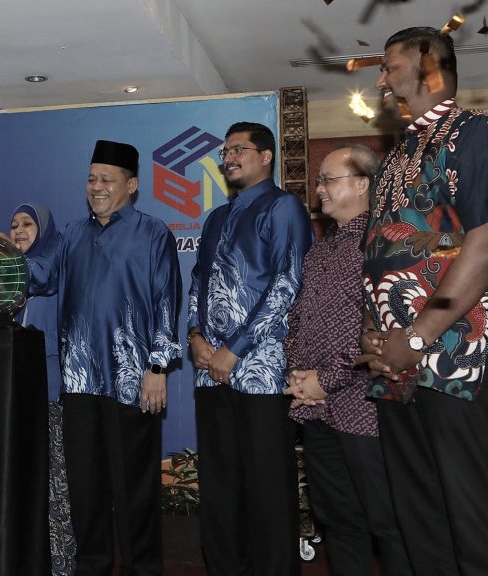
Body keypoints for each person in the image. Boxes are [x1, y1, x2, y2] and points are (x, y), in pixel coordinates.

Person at [359, 26, 488, 576]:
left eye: (389, 66)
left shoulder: (477, 131)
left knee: (476, 526)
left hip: (461, 363)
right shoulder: (394, 157)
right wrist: (374, 335)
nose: (381, 80)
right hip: (398, 368)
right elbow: (381, 257)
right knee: (420, 523)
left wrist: (416, 336)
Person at [23, 140, 182, 576]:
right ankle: (91, 566)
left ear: (131, 185)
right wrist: (6, 260)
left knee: (134, 487)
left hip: (132, 381)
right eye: (91, 178)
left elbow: (167, 302)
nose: (96, 186)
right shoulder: (72, 234)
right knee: (85, 486)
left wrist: (157, 367)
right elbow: (40, 277)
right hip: (78, 383)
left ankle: (142, 568)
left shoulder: (153, 233)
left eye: (107, 179)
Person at [186, 121, 312, 576]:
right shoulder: (216, 218)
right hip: (209, 371)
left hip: (262, 371)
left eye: (239, 149)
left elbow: (287, 284)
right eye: (225, 152)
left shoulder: (283, 207)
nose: (229, 158)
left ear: (266, 156)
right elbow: (198, 282)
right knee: (219, 488)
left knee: (267, 489)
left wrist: (234, 348)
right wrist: (195, 337)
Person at [284, 145, 413, 576]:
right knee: (338, 520)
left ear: (362, 184)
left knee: (387, 523)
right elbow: (297, 320)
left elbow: (382, 332)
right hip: (317, 409)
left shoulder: (383, 244)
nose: (318, 189)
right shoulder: (319, 251)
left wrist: (327, 378)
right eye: (319, 180)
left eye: (328, 179)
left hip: (365, 410)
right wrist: (299, 376)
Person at [9, 202, 76, 576]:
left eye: (27, 224)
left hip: (52, 396)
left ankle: (62, 563)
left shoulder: (54, 266)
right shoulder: (7, 281)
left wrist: (5, 257)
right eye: (14, 224)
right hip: (16, 398)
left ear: (44, 231)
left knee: (56, 484)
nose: (18, 230)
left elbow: (42, 278)